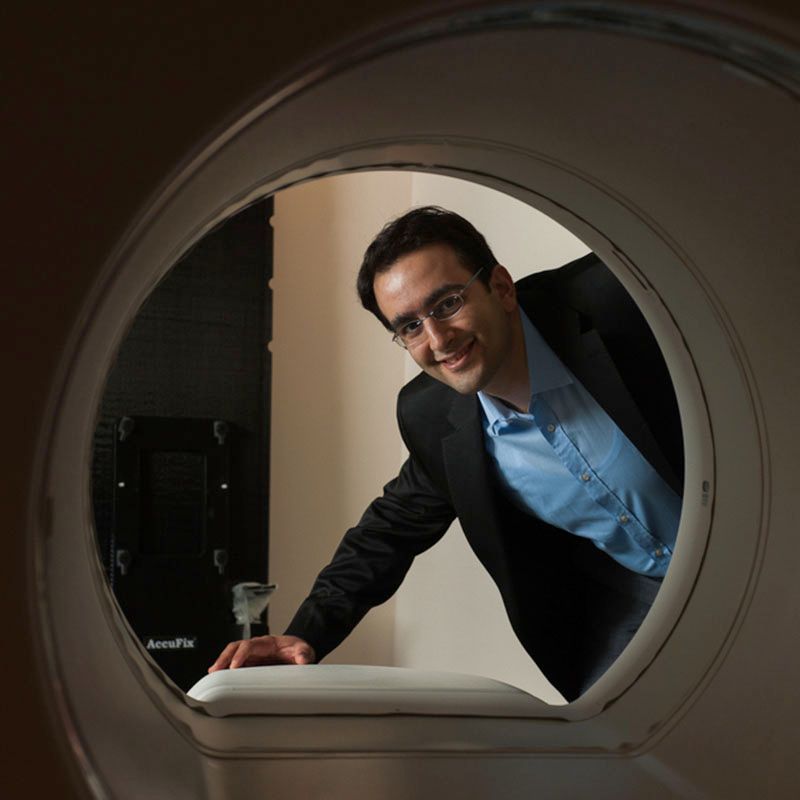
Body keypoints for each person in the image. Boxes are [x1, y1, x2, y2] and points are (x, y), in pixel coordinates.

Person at [209, 206, 683, 700]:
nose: (437, 340)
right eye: (409, 326)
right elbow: (387, 530)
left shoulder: (621, 300)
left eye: (448, 304)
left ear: (500, 287)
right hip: (638, 600)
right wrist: (305, 633)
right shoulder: (430, 415)